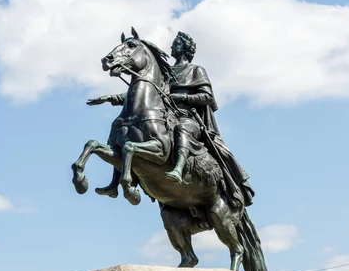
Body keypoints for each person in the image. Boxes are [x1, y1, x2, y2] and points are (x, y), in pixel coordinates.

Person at [87, 31, 254, 207]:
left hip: (188, 117)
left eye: (177, 43)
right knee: (124, 131)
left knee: (182, 128)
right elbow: (144, 93)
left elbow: (208, 98)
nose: (173, 46)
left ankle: (178, 168)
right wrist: (110, 98)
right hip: (166, 114)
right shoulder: (165, 73)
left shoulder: (195, 70)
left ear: (186, 48)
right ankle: (118, 182)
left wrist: (183, 98)